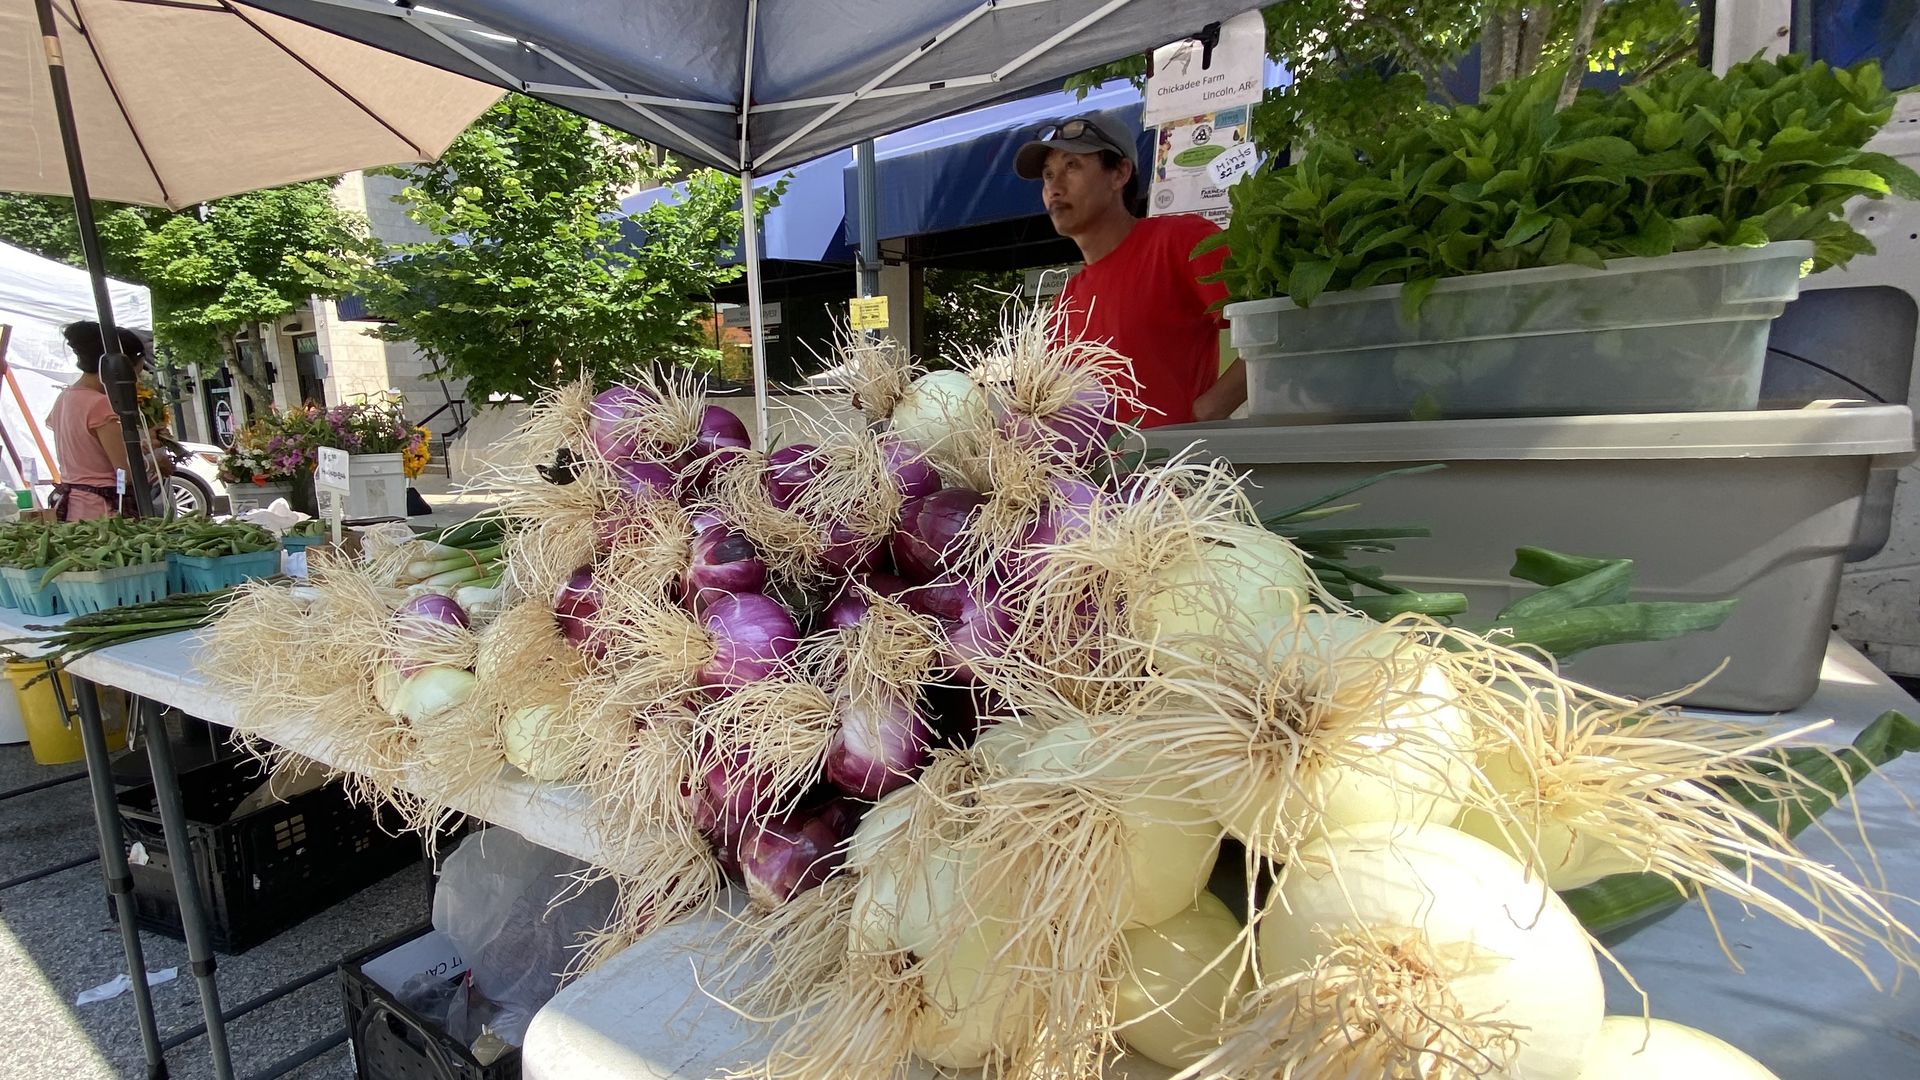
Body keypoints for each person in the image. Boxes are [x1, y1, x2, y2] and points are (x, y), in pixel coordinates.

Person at [1015, 114, 1246, 427]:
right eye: (1047, 174)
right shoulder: (1063, 304)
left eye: (1072, 166)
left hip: (1175, 471)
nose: (1054, 188)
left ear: (1119, 173)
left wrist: (1207, 411)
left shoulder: (1182, 242)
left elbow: (1279, 331)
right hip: (1089, 476)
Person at [46, 321, 169, 520]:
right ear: (121, 366)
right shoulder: (100, 404)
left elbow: (91, 454)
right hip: (104, 512)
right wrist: (156, 464)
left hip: (74, 508)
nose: (136, 380)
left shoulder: (65, 398)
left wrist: (145, 445)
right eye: (137, 373)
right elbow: (125, 474)